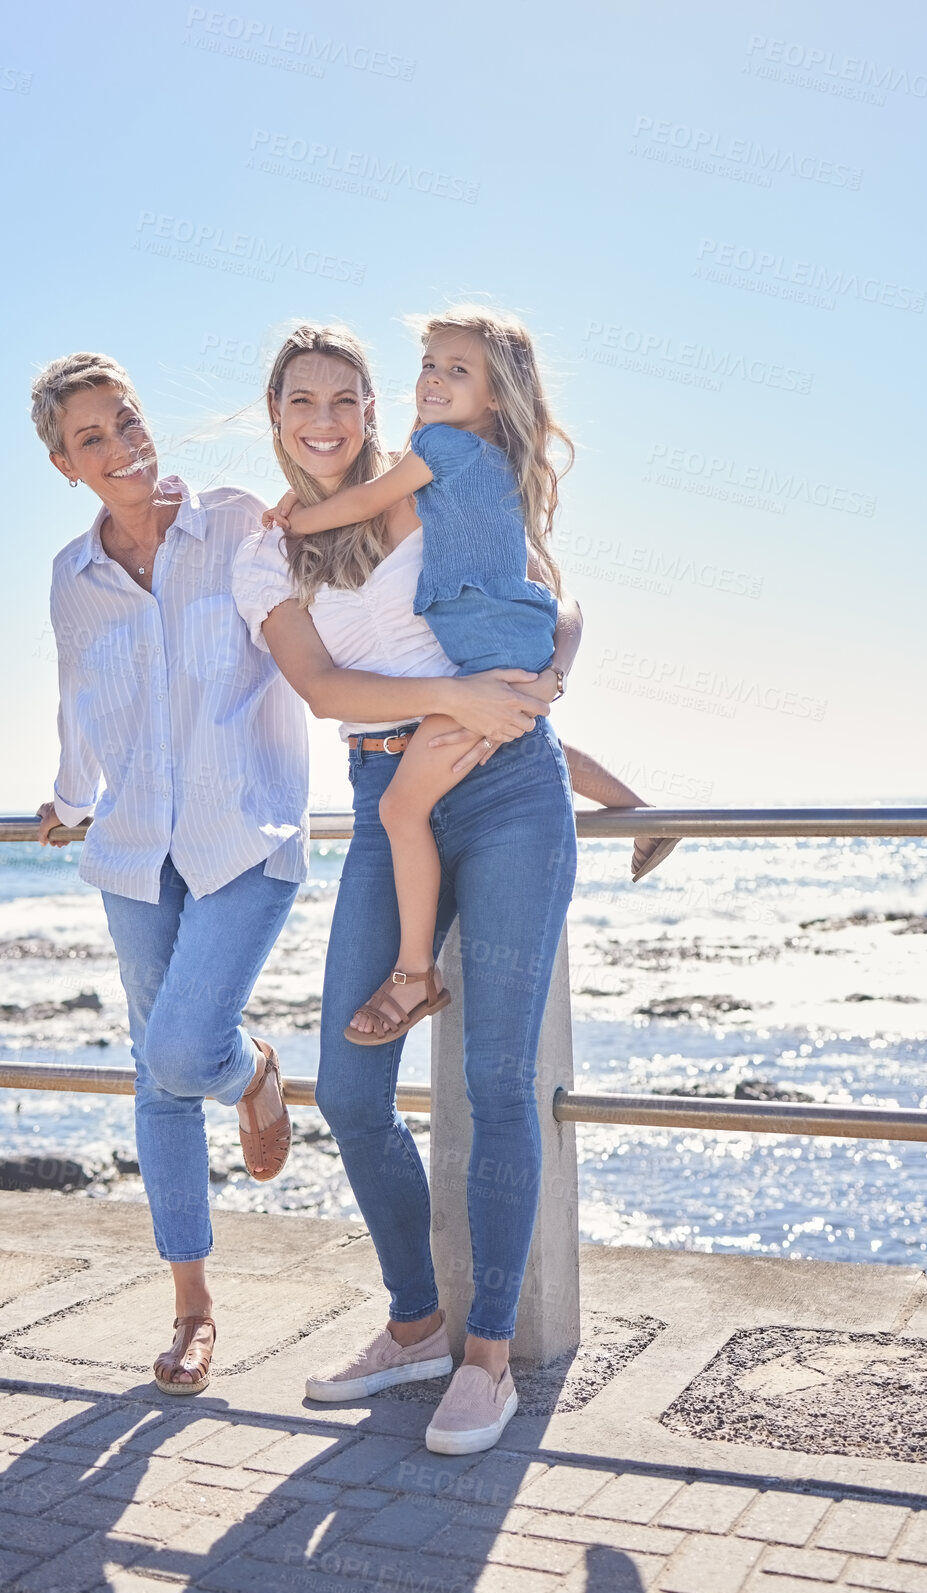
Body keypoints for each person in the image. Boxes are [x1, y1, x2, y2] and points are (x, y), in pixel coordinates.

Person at [233, 322, 614, 1454]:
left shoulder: (436, 478)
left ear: (369, 408)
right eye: (302, 401)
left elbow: (555, 596)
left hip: (507, 795)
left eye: (345, 398)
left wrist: (539, 683)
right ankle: (415, 1325)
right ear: (275, 415)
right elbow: (320, 688)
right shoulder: (270, 549)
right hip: (387, 792)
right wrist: (455, 704)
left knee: (499, 1082)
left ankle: (487, 1359)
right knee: (350, 1094)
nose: (325, 421)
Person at [265, 307, 678, 1047]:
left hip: (491, 661)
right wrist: (545, 671)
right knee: (523, 730)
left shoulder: (439, 452)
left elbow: (363, 500)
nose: (433, 379)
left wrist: (295, 521)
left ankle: (416, 972)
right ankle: (645, 811)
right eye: (429, 365)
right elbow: (551, 598)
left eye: (458, 370)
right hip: (500, 656)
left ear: (494, 396)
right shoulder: (485, 464)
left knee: (400, 811)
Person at [31, 352, 308, 1397]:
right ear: (66, 465)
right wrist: (67, 799)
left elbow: (312, 621)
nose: (120, 445)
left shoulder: (237, 522)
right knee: (157, 1080)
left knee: (187, 1050)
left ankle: (254, 1072)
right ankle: (192, 1309)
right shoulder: (73, 576)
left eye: (127, 419)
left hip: (245, 831)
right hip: (134, 848)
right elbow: (75, 696)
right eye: (92, 437)